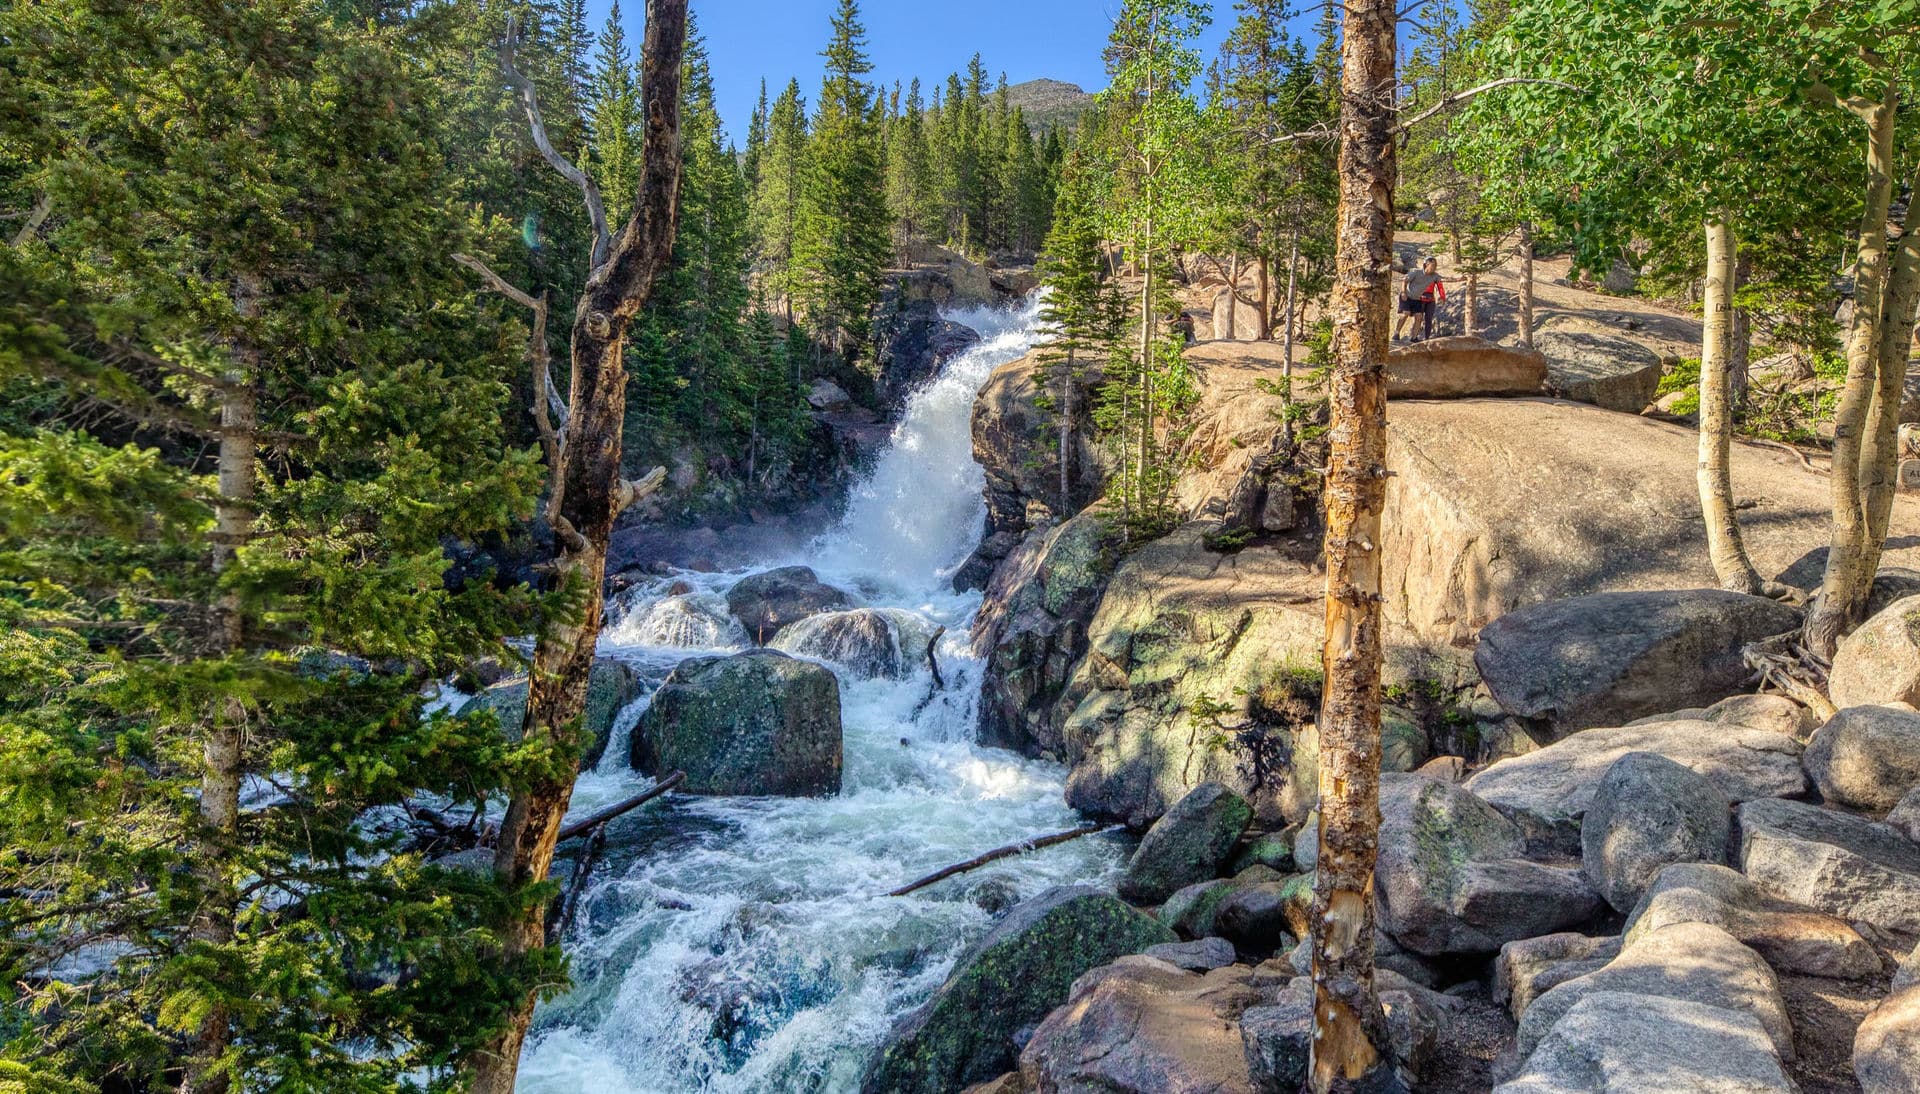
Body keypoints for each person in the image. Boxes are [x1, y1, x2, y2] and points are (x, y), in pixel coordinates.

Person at [1395, 257, 1448, 342]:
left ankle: (1414, 337)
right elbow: (1405, 280)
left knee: (1419, 316)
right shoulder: (1416, 272)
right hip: (1407, 296)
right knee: (1405, 314)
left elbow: (1444, 280)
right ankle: (1396, 334)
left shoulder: (1435, 276)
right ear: (1426, 264)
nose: (1435, 267)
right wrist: (1403, 292)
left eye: (1436, 265)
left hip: (1417, 299)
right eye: (1433, 265)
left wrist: (1460, 278)